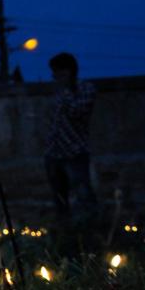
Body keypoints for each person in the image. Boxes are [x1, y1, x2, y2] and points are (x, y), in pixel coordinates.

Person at [44, 52, 97, 222]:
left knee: (83, 193)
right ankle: (65, 228)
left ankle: (88, 226)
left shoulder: (85, 89)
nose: (56, 78)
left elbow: (78, 112)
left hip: (76, 151)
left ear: (68, 71)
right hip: (54, 153)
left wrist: (66, 92)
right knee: (59, 197)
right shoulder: (58, 93)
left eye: (59, 73)